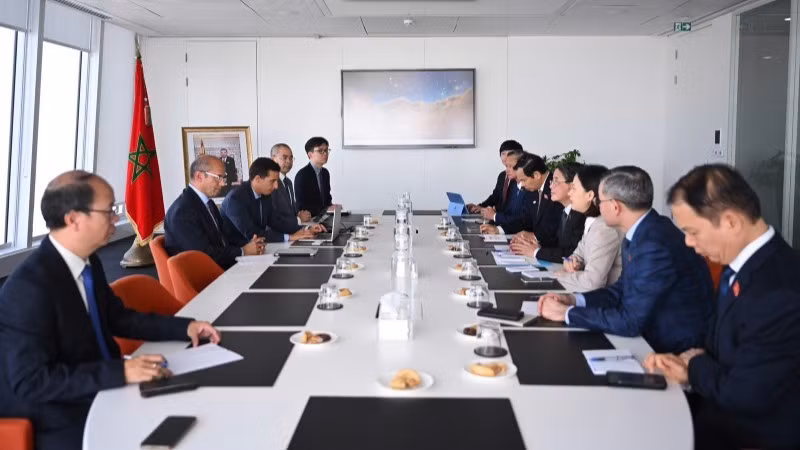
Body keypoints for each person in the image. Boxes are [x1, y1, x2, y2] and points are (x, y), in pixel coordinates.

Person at [0, 171, 221, 450]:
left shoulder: (87, 260)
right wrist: (121, 373)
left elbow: (117, 318)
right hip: (60, 418)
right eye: (108, 211)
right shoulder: (29, 288)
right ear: (73, 219)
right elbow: (32, 382)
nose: (116, 219)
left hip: (104, 390)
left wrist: (184, 327)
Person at [644, 164, 800, 450]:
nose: (689, 242)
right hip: (716, 415)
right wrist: (688, 361)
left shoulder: (778, 291)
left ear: (730, 221)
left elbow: (747, 393)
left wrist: (692, 368)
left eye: (693, 231)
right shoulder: (738, 262)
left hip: (750, 436)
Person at [538, 166, 712, 354]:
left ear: (615, 206)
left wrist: (565, 313)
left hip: (674, 349)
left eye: (600, 200)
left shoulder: (653, 242)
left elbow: (631, 321)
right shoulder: (641, 230)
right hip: (649, 336)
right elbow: (620, 290)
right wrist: (573, 300)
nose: (597, 204)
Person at [164, 155, 264, 270]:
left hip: (221, 268)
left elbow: (224, 238)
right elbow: (204, 255)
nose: (222, 184)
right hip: (204, 279)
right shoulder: (182, 211)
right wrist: (243, 251)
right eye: (218, 177)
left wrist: (249, 244)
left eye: (223, 178)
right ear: (199, 176)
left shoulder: (208, 204)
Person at [551, 164, 623, 292]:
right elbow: (577, 255)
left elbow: (592, 283)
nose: (570, 193)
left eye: (573, 188)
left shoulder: (604, 229)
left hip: (609, 300)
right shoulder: (592, 220)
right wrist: (573, 262)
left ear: (590, 195)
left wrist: (560, 276)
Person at [221, 157, 320, 244]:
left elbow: (277, 222)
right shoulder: (235, 199)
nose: (276, 186)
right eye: (272, 181)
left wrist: (306, 229)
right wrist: (290, 237)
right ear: (258, 179)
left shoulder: (265, 195)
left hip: (259, 248)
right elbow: (252, 233)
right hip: (237, 256)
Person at [510, 162, 585, 263]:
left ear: (572, 185)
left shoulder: (581, 216)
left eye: (556, 181)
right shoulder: (566, 211)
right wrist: (534, 244)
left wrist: (536, 252)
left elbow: (574, 253)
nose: (550, 186)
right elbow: (558, 243)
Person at [481, 153, 562, 244]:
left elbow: (555, 228)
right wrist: (498, 230)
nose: (522, 185)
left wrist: (535, 238)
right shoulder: (535, 188)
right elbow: (525, 220)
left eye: (523, 180)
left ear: (536, 175)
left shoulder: (556, 189)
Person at [467, 139, 524, 214]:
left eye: (509, 154)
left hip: (510, 221)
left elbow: (514, 207)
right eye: (503, 153)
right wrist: (479, 206)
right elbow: (495, 197)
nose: (505, 157)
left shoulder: (521, 178)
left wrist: (494, 214)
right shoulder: (502, 175)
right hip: (499, 219)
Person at [270, 143, 318, 228]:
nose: (288, 161)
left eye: (291, 158)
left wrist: (300, 214)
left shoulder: (288, 182)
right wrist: (298, 219)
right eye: (284, 157)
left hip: (292, 229)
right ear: (273, 159)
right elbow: (274, 217)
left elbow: (289, 212)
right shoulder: (270, 184)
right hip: (277, 235)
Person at [294, 137, 339, 217]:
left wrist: (333, 208)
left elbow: (327, 199)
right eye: (320, 151)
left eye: (326, 150)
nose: (325, 153)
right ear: (310, 154)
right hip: (309, 220)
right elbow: (301, 206)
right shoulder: (302, 175)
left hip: (324, 217)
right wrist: (326, 209)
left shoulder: (325, 173)